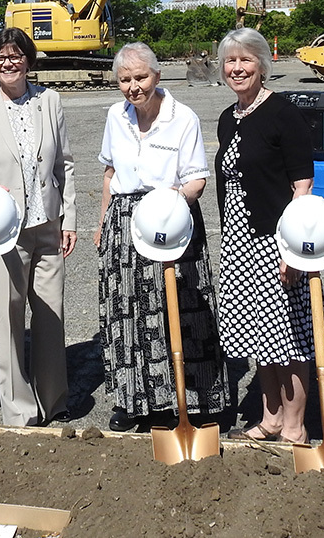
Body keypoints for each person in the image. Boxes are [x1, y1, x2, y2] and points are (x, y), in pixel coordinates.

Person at [94, 42, 227, 433]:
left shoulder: (182, 117)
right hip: (123, 220)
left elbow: (197, 180)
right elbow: (108, 174)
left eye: (141, 77)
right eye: (125, 80)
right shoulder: (114, 117)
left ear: (157, 75)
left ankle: (188, 399)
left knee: (178, 311)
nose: (133, 86)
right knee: (126, 313)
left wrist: (168, 204)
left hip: (170, 217)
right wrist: (103, 223)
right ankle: (130, 400)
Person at [0, 27, 76, 427]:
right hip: (3, 230)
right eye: (0, 57)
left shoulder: (51, 100)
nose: (7, 63)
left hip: (47, 224)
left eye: (15, 56)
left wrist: (69, 219)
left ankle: (53, 398)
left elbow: (65, 164)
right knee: (7, 319)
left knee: (50, 314)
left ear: (29, 60)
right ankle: (19, 408)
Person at [213, 28, 315, 443]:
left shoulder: (283, 112)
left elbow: (302, 185)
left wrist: (292, 249)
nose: (237, 68)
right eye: (230, 61)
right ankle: (270, 418)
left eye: (246, 60)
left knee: (288, 338)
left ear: (262, 64)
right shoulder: (228, 117)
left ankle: (295, 427)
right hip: (239, 239)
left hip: (276, 239)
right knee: (259, 337)